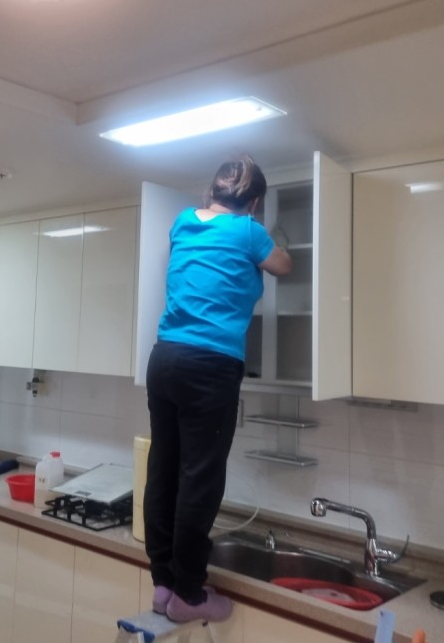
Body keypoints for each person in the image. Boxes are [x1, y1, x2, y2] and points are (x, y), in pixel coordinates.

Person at [143, 154, 293, 623]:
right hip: (210, 364)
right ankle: (189, 594)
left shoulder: (183, 222)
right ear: (254, 203)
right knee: (199, 478)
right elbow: (283, 265)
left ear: (212, 191)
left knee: (163, 469)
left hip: (164, 357)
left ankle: (164, 584)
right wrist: (273, 239)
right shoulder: (249, 231)